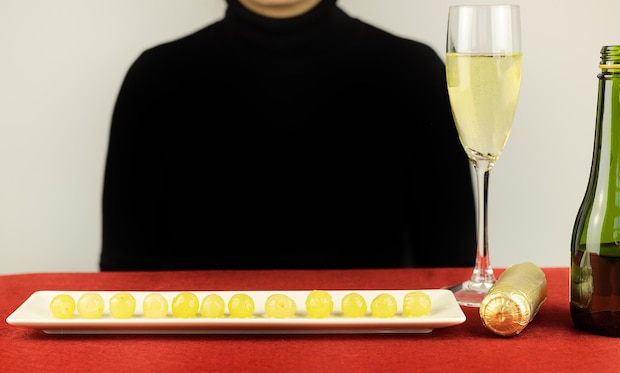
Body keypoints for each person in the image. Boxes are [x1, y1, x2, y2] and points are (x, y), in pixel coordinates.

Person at [100, 0, 477, 271]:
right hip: (191, 347)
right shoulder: (155, 78)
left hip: (374, 346)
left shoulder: (414, 72)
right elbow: (123, 272)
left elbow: (453, 266)